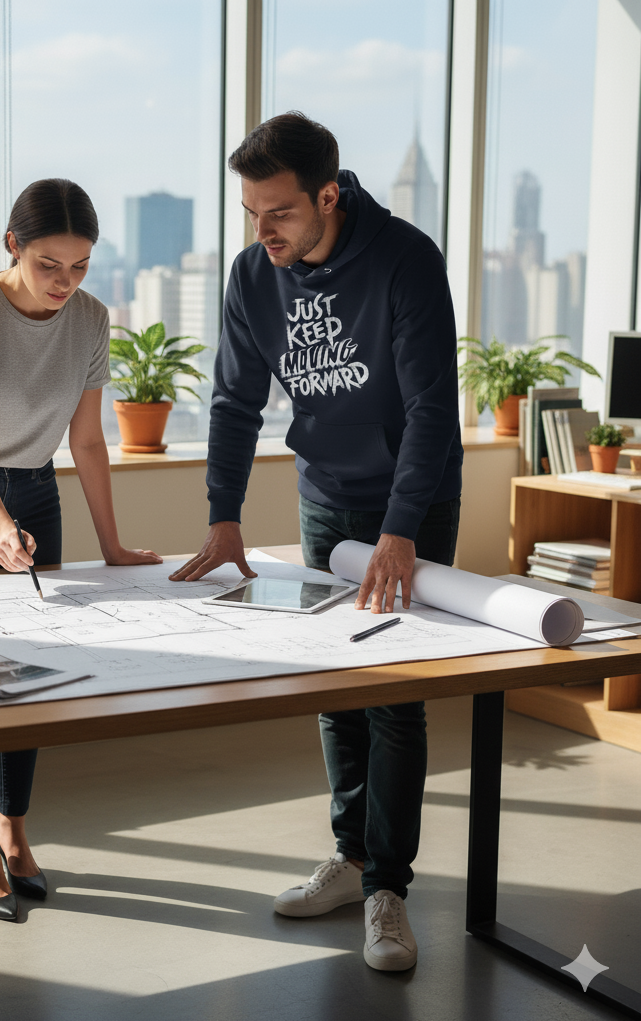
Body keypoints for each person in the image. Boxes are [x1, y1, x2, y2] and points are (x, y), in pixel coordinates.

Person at [170, 112, 462, 971]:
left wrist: (403, 530)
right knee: (335, 686)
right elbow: (232, 401)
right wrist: (225, 516)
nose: (263, 234)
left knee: (394, 695)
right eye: (252, 213)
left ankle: (389, 890)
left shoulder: (406, 259)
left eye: (280, 214)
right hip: (325, 499)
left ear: (328, 195)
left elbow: (432, 414)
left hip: (410, 499)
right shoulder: (253, 275)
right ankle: (350, 856)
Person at [0, 178, 160, 922]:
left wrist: (111, 544)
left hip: (35, 486)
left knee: (32, 667)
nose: (65, 282)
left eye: (80, 266)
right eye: (50, 264)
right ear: (12, 246)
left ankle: (16, 828)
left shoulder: (90, 320)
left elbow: (87, 440)